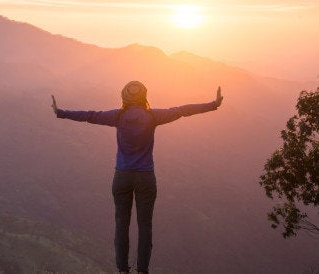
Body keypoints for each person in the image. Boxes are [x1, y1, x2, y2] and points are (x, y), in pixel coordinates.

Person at [51, 81, 223, 274]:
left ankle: (122, 270)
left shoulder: (118, 116)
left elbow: (89, 115)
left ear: (124, 96)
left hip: (122, 177)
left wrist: (61, 112)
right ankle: (142, 270)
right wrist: (212, 104)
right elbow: (182, 110)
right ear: (144, 96)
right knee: (145, 226)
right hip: (146, 178)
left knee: (121, 224)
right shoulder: (152, 115)